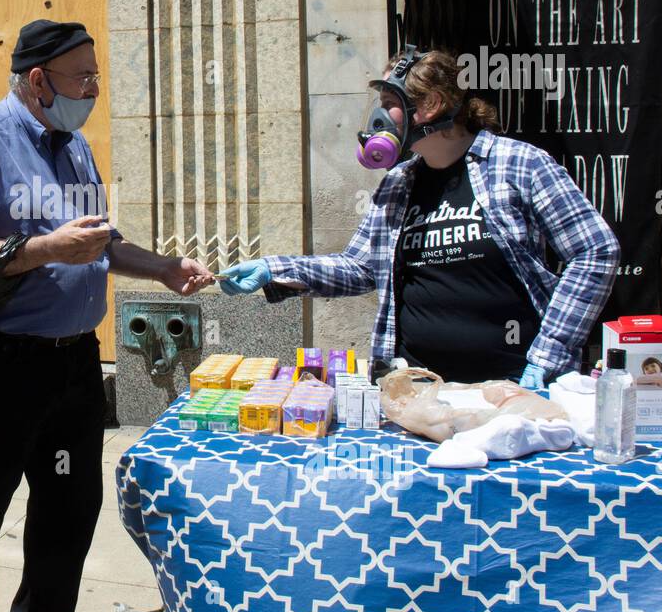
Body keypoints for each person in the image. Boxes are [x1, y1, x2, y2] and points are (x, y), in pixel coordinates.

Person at [0, 19, 213, 612]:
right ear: (37, 80)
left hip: (75, 365)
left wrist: (162, 268)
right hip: (2, 364)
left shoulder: (74, 147)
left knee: (70, 505)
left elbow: (100, 243)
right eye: (83, 77)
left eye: (96, 76)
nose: (94, 89)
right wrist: (39, 249)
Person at [218, 46, 620, 386]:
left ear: (429, 105)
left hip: (511, 387)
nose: (379, 118)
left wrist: (548, 355)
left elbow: (595, 251)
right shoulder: (399, 183)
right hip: (414, 389)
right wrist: (273, 269)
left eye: (391, 105)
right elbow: (358, 268)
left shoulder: (519, 164)